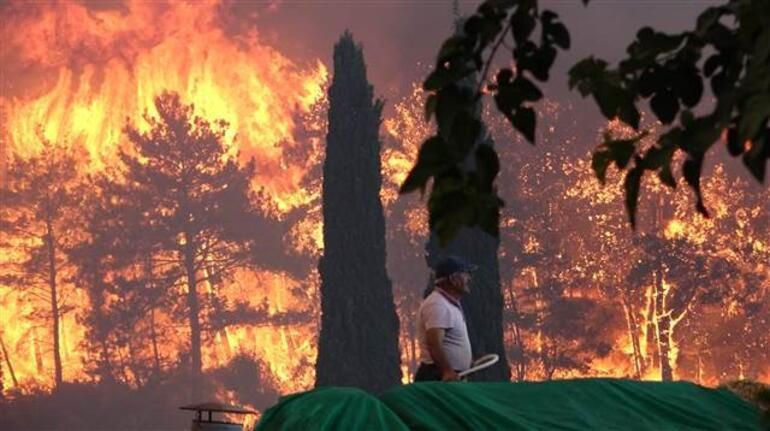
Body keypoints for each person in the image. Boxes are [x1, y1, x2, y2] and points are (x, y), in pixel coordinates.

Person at [414, 255, 476, 382]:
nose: (469, 278)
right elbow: (434, 342)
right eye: (465, 274)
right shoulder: (438, 305)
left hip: (449, 376)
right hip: (438, 377)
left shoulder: (448, 304)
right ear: (453, 279)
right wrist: (447, 371)